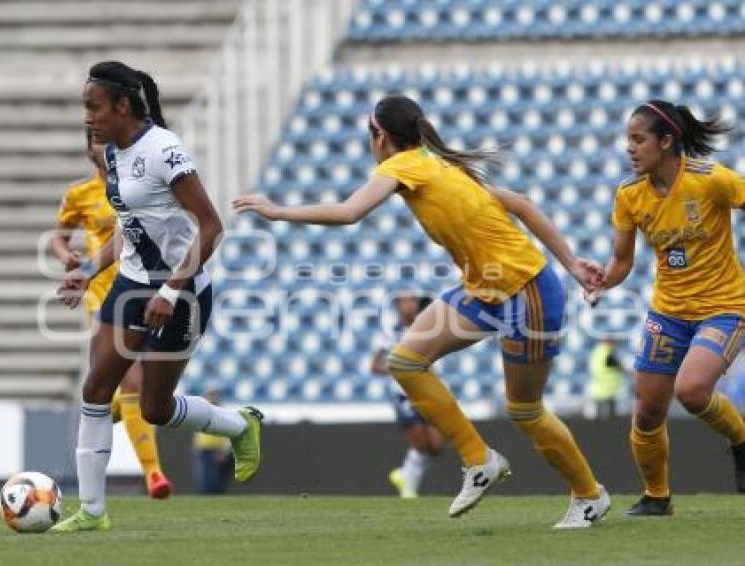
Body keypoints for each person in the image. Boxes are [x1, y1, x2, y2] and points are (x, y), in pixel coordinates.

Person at [234, 94, 610, 528]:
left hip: (529, 292)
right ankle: (479, 460)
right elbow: (520, 202)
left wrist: (279, 212)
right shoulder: (437, 163)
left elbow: (350, 211)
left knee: (524, 409)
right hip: (485, 288)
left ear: (380, 136)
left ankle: (588, 496)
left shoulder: (403, 165)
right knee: (406, 361)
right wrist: (573, 263)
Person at [53, 61, 263, 532]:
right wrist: (89, 270)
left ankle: (239, 425)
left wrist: (171, 290)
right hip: (130, 285)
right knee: (95, 388)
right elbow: (130, 230)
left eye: (94, 107)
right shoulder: (112, 154)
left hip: (182, 291)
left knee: (154, 408)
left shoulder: (164, 152)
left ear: (123, 105)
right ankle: (91, 511)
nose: (88, 117)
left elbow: (211, 228)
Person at [591, 99, 745, 516]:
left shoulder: (711, 180)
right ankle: (657, 497)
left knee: (692, 391)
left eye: (638, 139)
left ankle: (741, 439)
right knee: (647, 410)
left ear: (666, 141)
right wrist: (603, 281)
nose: (630, 148)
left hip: (724, 306)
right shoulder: (629, 196)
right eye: (628, 140)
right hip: (668, 313)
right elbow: (622, 260)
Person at [50, 128, 173, 499]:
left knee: (141, 388)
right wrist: (67, 257)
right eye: (98, 142)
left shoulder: (136, 185)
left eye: (110, 142)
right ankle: (154, 475)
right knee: (133, 380)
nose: (105, 148)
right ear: (89, 149)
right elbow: (59, 235)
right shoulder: (80, 194)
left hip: (146, 289)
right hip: (104, 296)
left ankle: (106, 411)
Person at [372, 292, 442, 498]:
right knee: (420, 444)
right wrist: (400, 369)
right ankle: (409, 489)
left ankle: (403, 475)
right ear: (398, 306)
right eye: (406, 300)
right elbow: (376, 366)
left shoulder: (426, 331)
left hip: (425, 391)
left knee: (436, 446)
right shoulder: (391, 334)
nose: (411, 304)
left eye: (414, 300)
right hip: (402, 393)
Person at [192, 389, 234, 494]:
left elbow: (229, 435)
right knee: (205, 480)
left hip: (217, 451)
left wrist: (224, 451)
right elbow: (197, 434)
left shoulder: (224, 414)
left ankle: (216, 499)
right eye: (209, 396)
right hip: (203, 450)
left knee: (217, 481)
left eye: (213, 396)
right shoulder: (202, 413)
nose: (211, 399)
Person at [588, 338, 628, 419]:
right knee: (610, 417)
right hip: (609, 390)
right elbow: (620, 366)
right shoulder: (608, 354)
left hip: (598, 390)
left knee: (599, 417)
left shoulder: (598, 352)